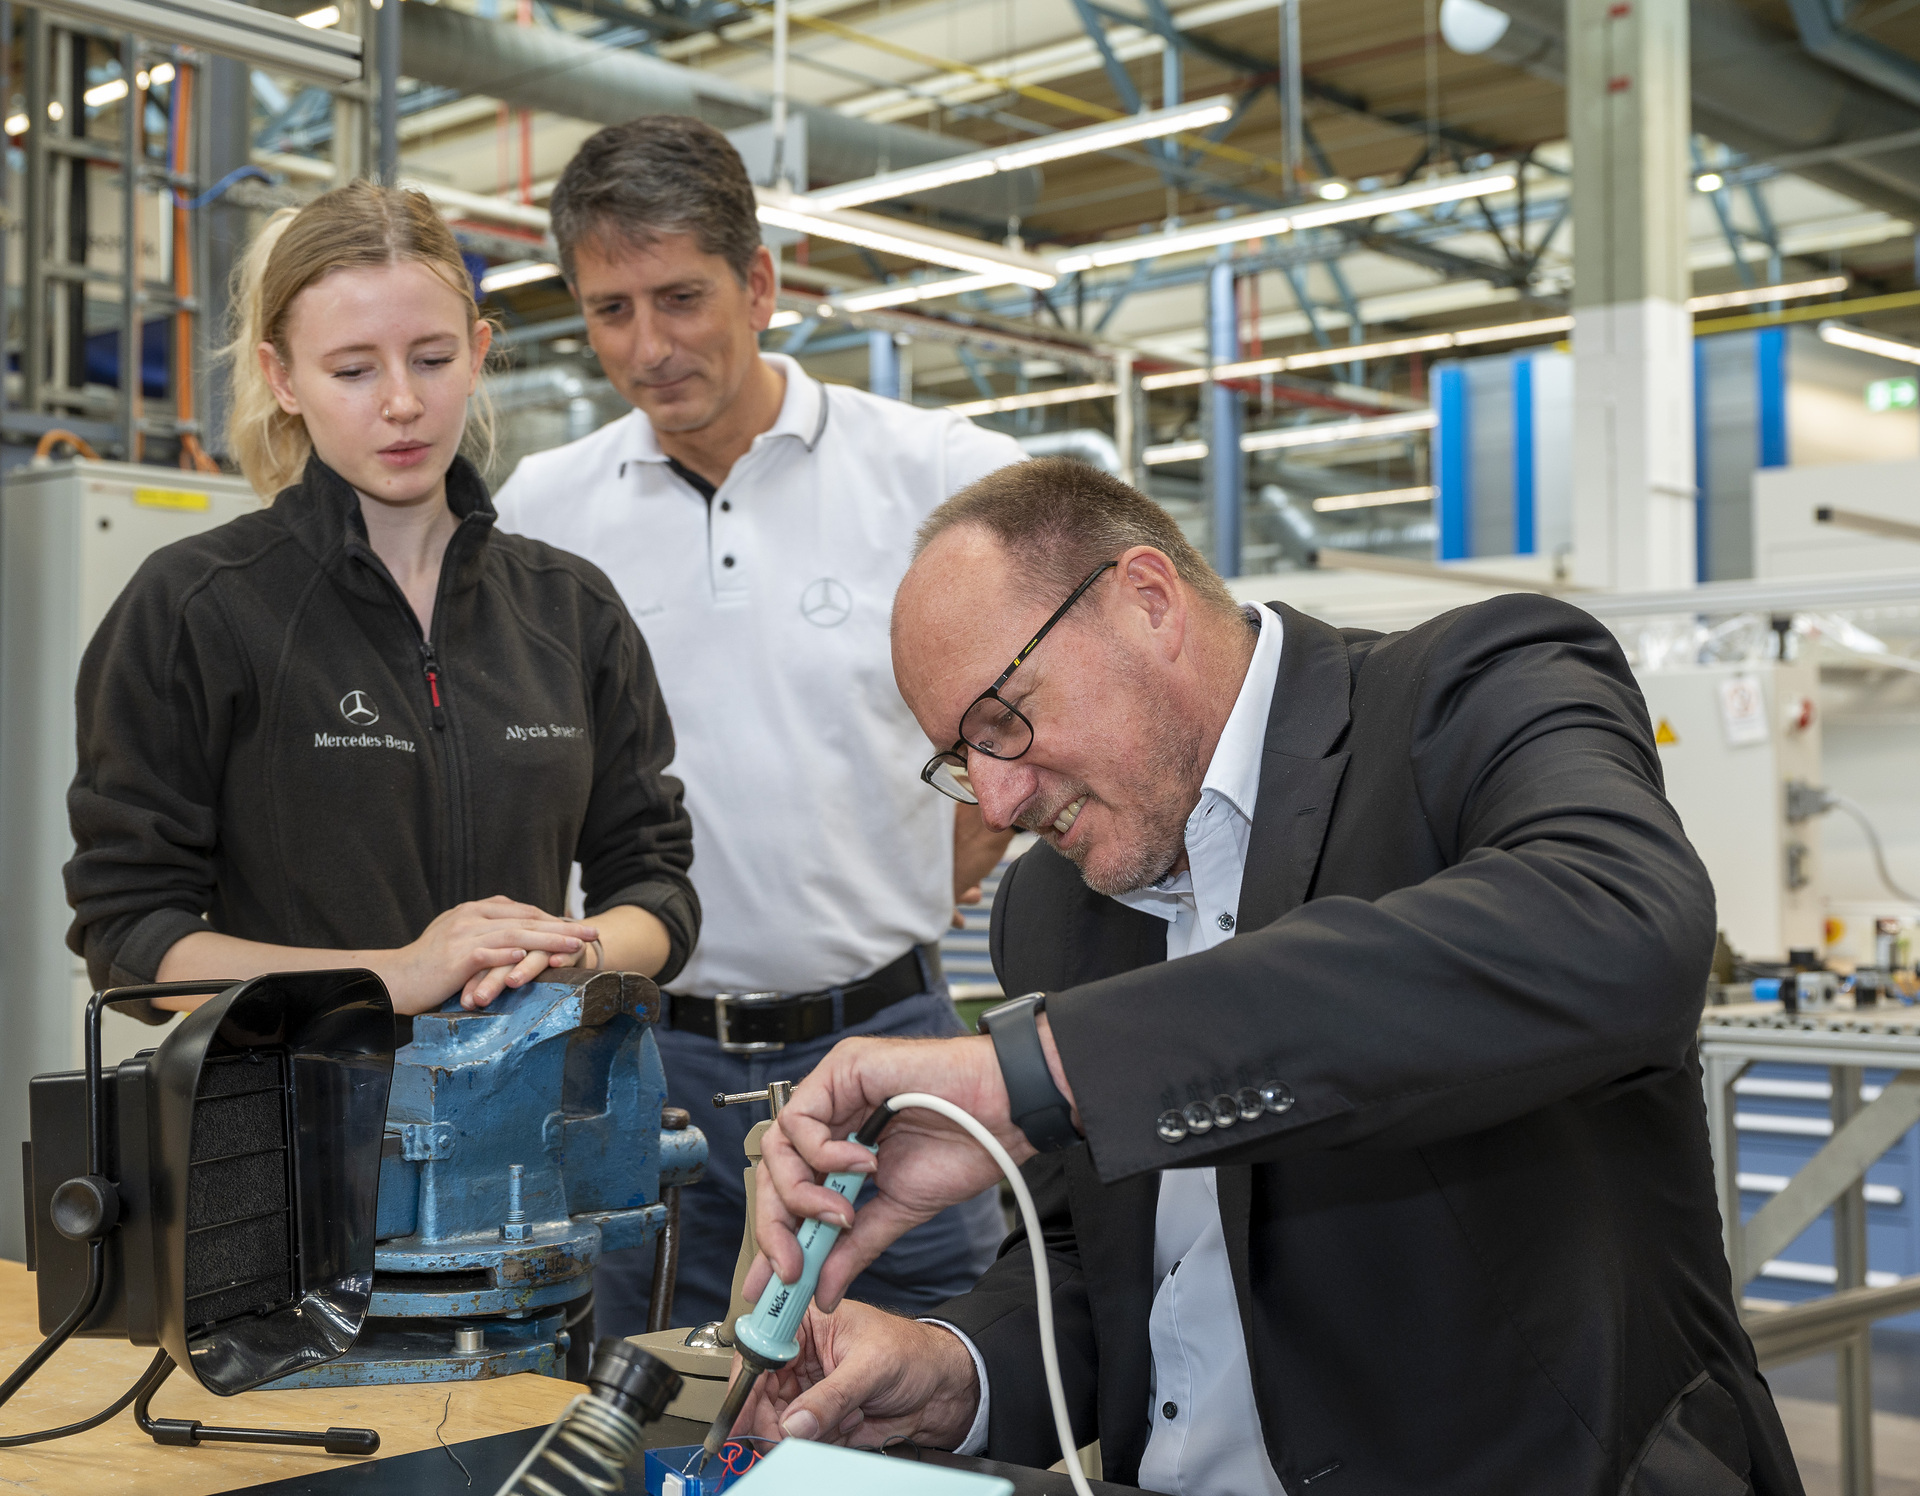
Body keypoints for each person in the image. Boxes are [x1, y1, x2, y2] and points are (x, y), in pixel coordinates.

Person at [733, 457, 1804, 1495]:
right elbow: (1096, 1271)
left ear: (1147, 601)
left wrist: (1050, 1069)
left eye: (1005, 722)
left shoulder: (1473, 690)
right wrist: (948, 1369)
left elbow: (1619, 926)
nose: (1001, 805)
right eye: (963, 762)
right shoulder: (1051, 913)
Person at [492, 115, 1018, 1338]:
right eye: (610, 308)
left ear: (762, 283)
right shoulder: (543, 513)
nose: (649, 346)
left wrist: (935, 870)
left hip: (884, 1043)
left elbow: (1035, 721)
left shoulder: (934, 474)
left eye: (680, 297)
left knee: (949, 1388)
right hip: (641, 1067)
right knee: (647, 1403)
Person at [65, 181, 697, 1033]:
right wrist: (392, 975)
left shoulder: (570, 609)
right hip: (299, 1137)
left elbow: (656, 886)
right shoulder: (196, 607)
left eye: (433, 360)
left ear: (478, 355)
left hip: (531, 1128)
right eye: (354, 370)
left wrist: (564, 952)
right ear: (281, 378)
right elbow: (132, 934)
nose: (402, 402)